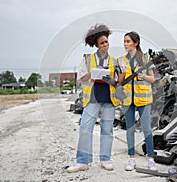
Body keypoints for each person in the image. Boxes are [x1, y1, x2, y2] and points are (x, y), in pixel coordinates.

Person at [67, 24, 119, 173]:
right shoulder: (87, 59)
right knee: (85, 128)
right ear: (96, 45)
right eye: (102, 43)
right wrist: (92, 74)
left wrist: (110, 79)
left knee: (107, 130)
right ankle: (83, 161)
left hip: (108, 100)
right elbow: (80, 78)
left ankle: (105, 159)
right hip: (92, 100)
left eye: (106, 42)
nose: (105, 45)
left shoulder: (114, 61)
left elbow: (116, 82)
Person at [117, 31, 157, 171]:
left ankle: (151, 159)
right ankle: (131, 158)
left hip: (144, 99)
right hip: (128, 100)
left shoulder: (146, 59)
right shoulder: (121, 60)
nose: (125, 44)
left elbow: (153, 79)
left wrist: (143, 76)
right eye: (124, 41)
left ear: (136, 42)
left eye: (128, 41)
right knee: (130, 129)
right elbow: (120, 81)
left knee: (146, 129)